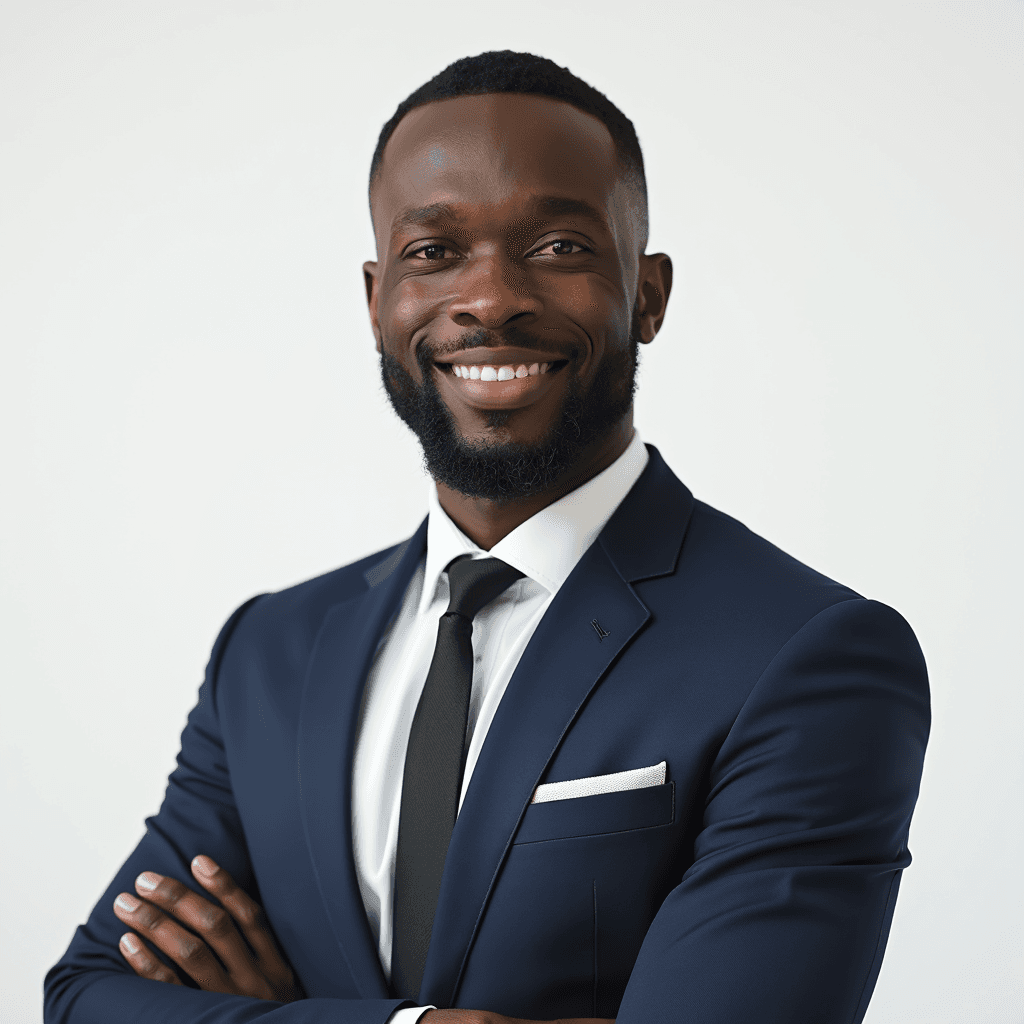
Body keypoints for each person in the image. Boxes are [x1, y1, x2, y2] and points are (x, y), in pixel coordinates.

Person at [44, 50, 931, 1024]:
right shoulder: (269, 652)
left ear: (648, 293)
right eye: (434, 252)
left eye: (558, 246)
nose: (490, 297)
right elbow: (89, 999)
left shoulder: (807, 653)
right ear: (378, 299)